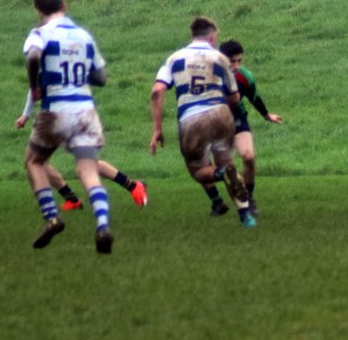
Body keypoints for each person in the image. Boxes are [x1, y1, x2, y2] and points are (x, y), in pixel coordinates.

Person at [20, 0, 118, 253]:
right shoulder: (84, 36)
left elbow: (33, 56)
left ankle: (52, 218)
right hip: (85, 112)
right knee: (88, 170)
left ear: (38, 10)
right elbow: (101, 78)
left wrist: (35, 85)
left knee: (34, 161)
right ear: (63, 5)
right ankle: (102, 224)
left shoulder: (40, 33)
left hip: (55, 111)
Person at [150, 16, 255, 227]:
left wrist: (157, 129)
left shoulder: (174, 59)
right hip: (221, 114)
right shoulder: (220, 58)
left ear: (193, 35)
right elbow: (234, 98)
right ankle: (246, 216)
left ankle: (220, 174)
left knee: (198, 171)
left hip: (192, 118)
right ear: (212, 37)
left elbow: (157, 91)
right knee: (228, 162)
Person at [195, 38, 284, 217]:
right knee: (201, 163)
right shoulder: (207, 75)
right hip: (209, 121)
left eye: (239, 61)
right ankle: (217, 201)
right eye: (232, 61)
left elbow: (254, 96)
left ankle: (248, 199)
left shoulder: (244, 76)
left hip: (236, 118)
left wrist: (266, 115)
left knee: (249, 157)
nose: (235, 65)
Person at [15, 93, 146, 211]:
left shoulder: (47, 73)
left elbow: (35, 90)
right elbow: (98, 79)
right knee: (87, 163)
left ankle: (68, 203)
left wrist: (26, 114)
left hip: (56, 117)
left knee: (34, 162)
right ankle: (132, 186)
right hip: (82, 114)